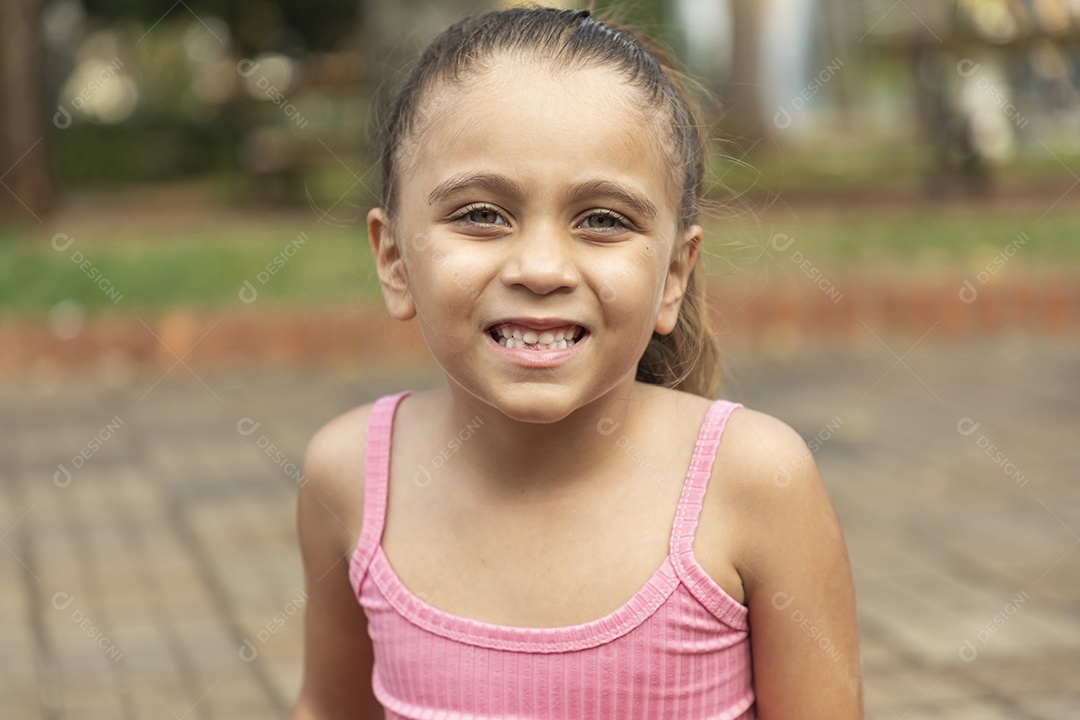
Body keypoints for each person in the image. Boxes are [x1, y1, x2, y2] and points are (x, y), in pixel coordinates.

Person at [291, 5, 862, 719]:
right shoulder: (348, 478)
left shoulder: (754, 481)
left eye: (602, 220)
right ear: (395, 259)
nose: (540, 267)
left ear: (674, 277)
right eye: (480, 214)